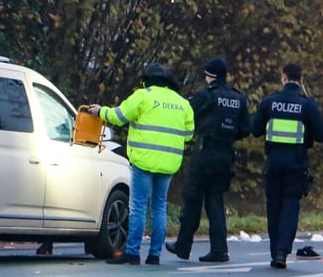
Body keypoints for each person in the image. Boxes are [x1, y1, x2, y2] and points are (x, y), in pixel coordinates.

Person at [89, 63, 195, 265]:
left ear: (147, 80)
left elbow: (118, 117)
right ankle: (154, 255)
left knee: (138, 207)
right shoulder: (183, 103)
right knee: (160, 208)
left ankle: (132, 252)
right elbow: (188, 134)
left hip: (143, 160)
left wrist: (100, 111)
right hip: (168, 163)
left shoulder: (143, 95)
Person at [165, 58, 250, 262]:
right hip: (225, 155)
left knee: (193, 198)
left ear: (209, 75)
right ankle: (220, 250)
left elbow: (185, 115)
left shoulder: (205, 95)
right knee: (216, 202)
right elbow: (246, 129)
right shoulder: (238, 98)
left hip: (205, 153)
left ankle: (183, 246)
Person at [251, 62, 323, 269]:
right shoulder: (307, 105)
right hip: (296, 163)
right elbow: (322, 135)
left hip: (274, 162)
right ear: (300, 79)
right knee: (290, 206)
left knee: (273, 207)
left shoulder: (270, 102)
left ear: (283, 78)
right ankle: (282, 252)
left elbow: (255, 129)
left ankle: (274, 249)